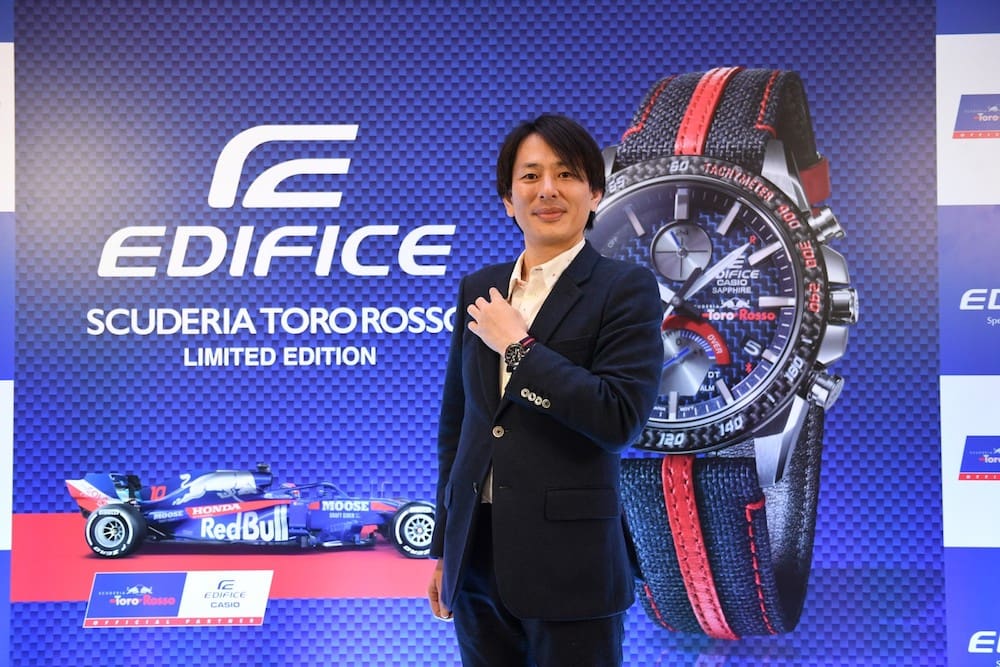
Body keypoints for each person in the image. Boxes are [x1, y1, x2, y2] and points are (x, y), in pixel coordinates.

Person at [426, 114, 664, 667]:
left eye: (567, 174)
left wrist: (519, 348)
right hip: (475, 555)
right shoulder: (480, 288)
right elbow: (459, 426)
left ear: (595, 193)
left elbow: (618, 419)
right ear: (508, 200)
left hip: (571, 562)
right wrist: (445, 549)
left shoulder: (624, 288)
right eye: (530, 176)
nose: (548, 190)